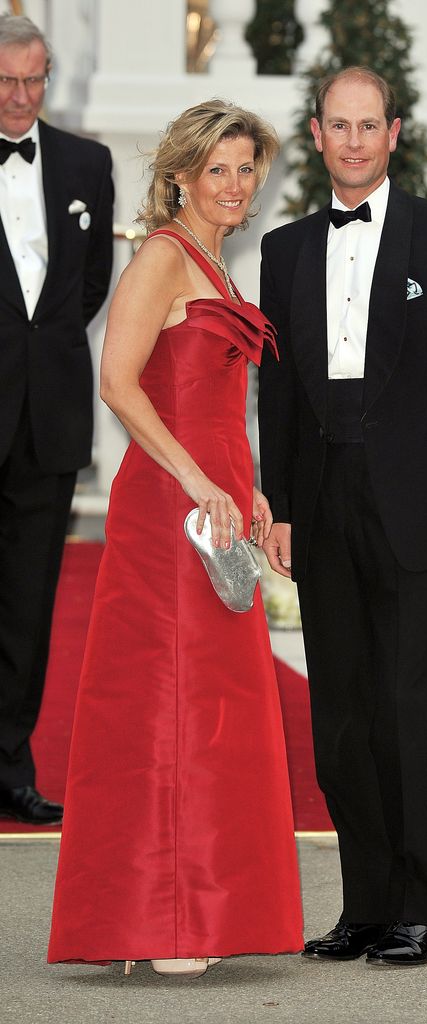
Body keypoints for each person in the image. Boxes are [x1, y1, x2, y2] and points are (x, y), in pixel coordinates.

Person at [48, 100, 303, 976]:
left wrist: (254, 490)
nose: (234, 186)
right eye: (217, 170)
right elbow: (119, 384)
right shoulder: (162, 255)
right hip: (170, 510)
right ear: (182, 176)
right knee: (169, 699)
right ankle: (162, 918)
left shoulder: (220, 266)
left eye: (245, 169)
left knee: (218, 705)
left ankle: (202, 907)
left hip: (218, 504)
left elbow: (218, 402)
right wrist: (199, 481)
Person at [258, 66, 427, 968]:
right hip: (322, 507)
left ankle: (421, 911)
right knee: (343, 720)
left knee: (409, 706)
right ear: (317, 134)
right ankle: (365, 904)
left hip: (417, 508)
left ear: (394, 132)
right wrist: (279, 506)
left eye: (370, 125)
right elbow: (276, 392)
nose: (355, 141)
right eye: (339, 125)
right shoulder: (283, 252)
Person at [0, 15, 113, 827]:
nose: (21, 96)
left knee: (28, 607)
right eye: (6, 81)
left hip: (49, 422)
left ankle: (11, 767)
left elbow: (90, 286)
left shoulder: (86, 162)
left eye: (34, 80)